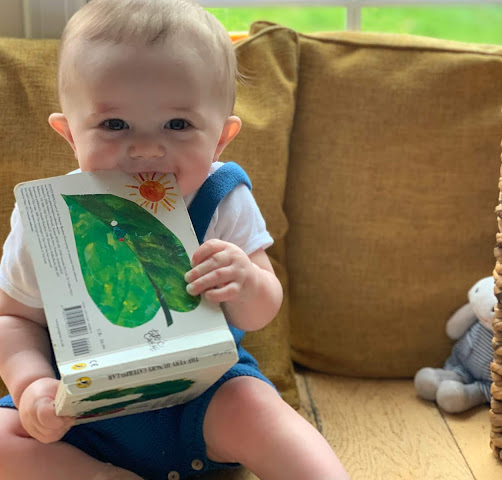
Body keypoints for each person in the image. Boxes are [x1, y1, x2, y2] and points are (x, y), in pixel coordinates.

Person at [0, 1, 349, 479]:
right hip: (80, 404)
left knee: (257, 408)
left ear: (221, 139)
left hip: (202, 397)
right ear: (69, 136)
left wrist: (244, 281)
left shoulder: (222, 197)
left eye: (178, 125)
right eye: (114, 124)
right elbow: (13, 319)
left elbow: (261, 309)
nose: (146, 147)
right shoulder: (49, 217)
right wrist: (31, 384)